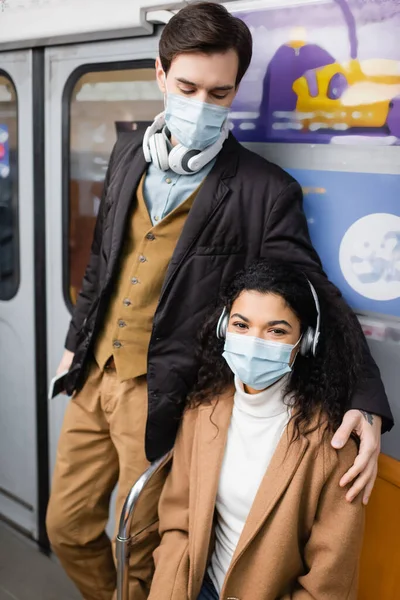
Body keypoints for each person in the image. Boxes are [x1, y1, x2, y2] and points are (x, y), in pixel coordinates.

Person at [46, 3, 392, 599]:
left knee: (142, 546)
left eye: (219, 92)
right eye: (186, 87)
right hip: (93, 376)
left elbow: (314, 292)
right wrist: (76, 343)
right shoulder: (129, 156)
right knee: (68, 527)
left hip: (164, 393)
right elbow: (105, 261)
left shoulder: (262, 189)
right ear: (160, 75)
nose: (201, 105)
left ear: (235, 91)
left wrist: (365, 398)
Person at [148, 260, 366, 600]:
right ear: (224, 328)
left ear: (305, 342)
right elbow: (178, 523)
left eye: (276, 330)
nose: (254, 342)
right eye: (241, 325)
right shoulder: (203, 410)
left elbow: (328, 583)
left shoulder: (332, 444)